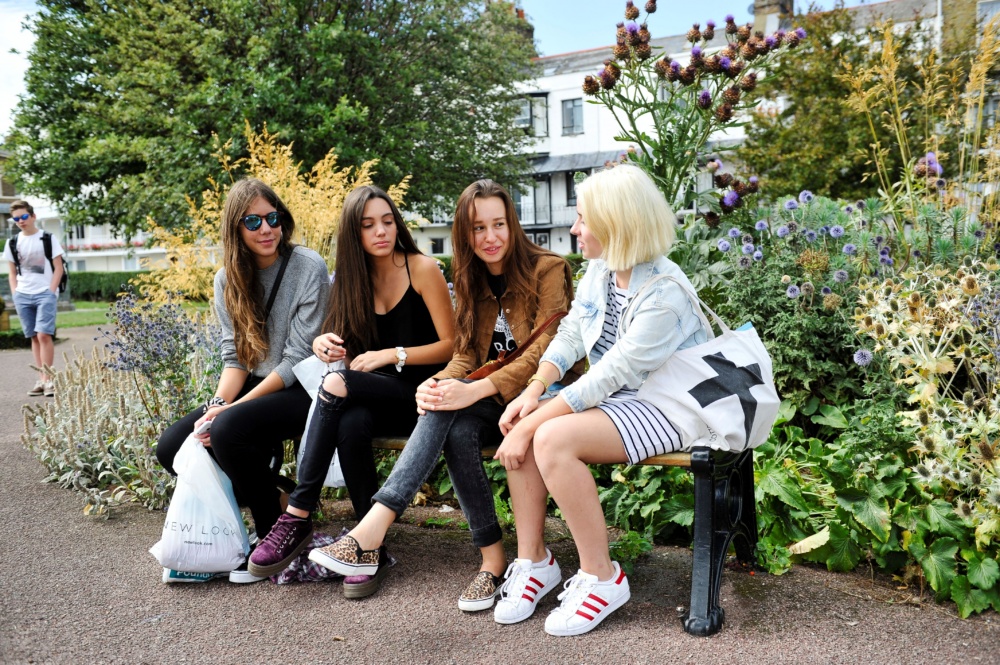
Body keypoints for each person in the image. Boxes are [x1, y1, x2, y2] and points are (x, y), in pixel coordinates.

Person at [309, 179, 581, 612]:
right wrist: (436, 385)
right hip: (490, 396)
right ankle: (491, 562)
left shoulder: (547, 269)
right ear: (464, 233)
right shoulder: (469, 276)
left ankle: (372, 530)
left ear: (512, 225)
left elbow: (549, 352)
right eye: (477, 229)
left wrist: (474, 387)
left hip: (543, 396)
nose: (489, 238)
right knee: (444, 413)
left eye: (498, 225)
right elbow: (465, 352)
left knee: (452, 415)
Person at [493, 164, 708, 636]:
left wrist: (535, 420)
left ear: (617, 225)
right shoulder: (603, 268)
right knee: (527, 424)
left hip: (670, 406)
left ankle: (602, 577)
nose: (574, 229)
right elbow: (572, 331)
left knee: (548, 438)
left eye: (583, 219)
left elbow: (610, 375)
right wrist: (532, 392)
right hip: (623, 399)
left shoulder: (665, 294)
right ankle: (534, 562)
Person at [247, 185, 454, 598]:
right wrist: (324, 343)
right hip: (375, 398)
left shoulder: (422, 268)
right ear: (353, 233)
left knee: (336, 384)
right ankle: (366, 544)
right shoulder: (349, 280)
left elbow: (451, 344)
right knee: (352, 420)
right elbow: (340, 342)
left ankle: (298, 511)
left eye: (387, 221)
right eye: (368, 225)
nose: (381, 231)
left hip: (421, 395)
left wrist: (389, 355)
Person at [155, 177, 330, 583]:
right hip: (252, 384)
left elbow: (295, 360)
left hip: (302, 386)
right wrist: (217, 405)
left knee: (230, 427)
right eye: (253, 222)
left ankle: (272, 532)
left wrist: (231, 412)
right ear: (236, 228)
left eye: (273, 218)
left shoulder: (308, 266)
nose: (266, 229)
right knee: (174, 447)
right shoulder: (226, 279)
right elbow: (235, 357)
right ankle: (277, 497)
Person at [3, 200, 65, 397]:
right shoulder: (12, 242)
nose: (20, 221)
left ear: (33, 216)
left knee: (44, 334)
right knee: (33, 337)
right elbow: (11, 273)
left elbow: (59, 268)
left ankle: (48, 380)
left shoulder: (47, 238)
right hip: (23, 294)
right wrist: (15, 293)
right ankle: (41, 379)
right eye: (16, 219)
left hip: (44, 293)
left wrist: (50, 291)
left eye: (23, 217)